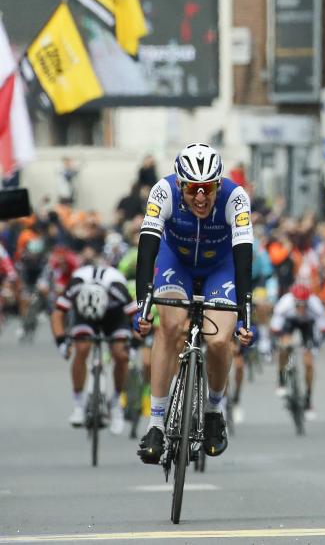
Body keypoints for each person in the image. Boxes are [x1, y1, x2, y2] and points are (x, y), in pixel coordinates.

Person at [134, 143, 254, 464]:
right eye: (192, 189)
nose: (200, 197)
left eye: (207, 189)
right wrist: (142, 304)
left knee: (218, 342)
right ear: (179, 185)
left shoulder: (236, 197)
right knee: (170, 326)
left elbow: (244, 259)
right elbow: (147, 248)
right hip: (177, 262)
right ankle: (156, 423)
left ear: (218, 184)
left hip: (221, 267)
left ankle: (214, 411)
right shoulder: (162, 192)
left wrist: (245, 314)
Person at [50, 260, 135, 434]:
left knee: (120, 355)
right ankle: (78, 404)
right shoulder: (75, 286)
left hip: (114, 315)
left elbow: (139, 318)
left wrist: (133, 345)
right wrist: (61, 343)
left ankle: (116, 403)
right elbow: (57, 315)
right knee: (82, 348)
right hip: (84, 315)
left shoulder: (118, 289)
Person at [271, 283, 325, 417]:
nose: (301, 308)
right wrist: (281, 343)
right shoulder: (285, 303)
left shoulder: (316, 306)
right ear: (293, 301)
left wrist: (315, 346)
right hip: (289, 322)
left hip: (308, 325)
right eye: (298, 304)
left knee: (309, 363)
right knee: (284, 346)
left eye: (304, 305)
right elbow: (275, 329)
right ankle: (281, 379)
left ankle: (308, 399)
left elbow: (324, 330)